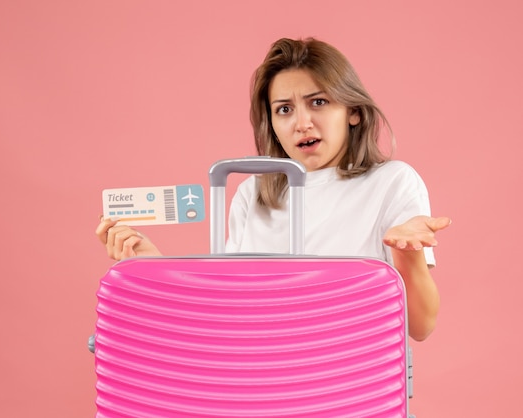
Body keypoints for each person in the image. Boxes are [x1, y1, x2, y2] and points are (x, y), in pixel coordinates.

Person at [95, 37, 451, 342]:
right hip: (262, 385)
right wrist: (152, 264)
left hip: (348, 383)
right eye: (284, 109)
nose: (302, 123)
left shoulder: (391, 182)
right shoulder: (251, 192)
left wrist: (407, 254)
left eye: (319, 102)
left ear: (353, 110)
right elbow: (225, 313)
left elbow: (420, 327)